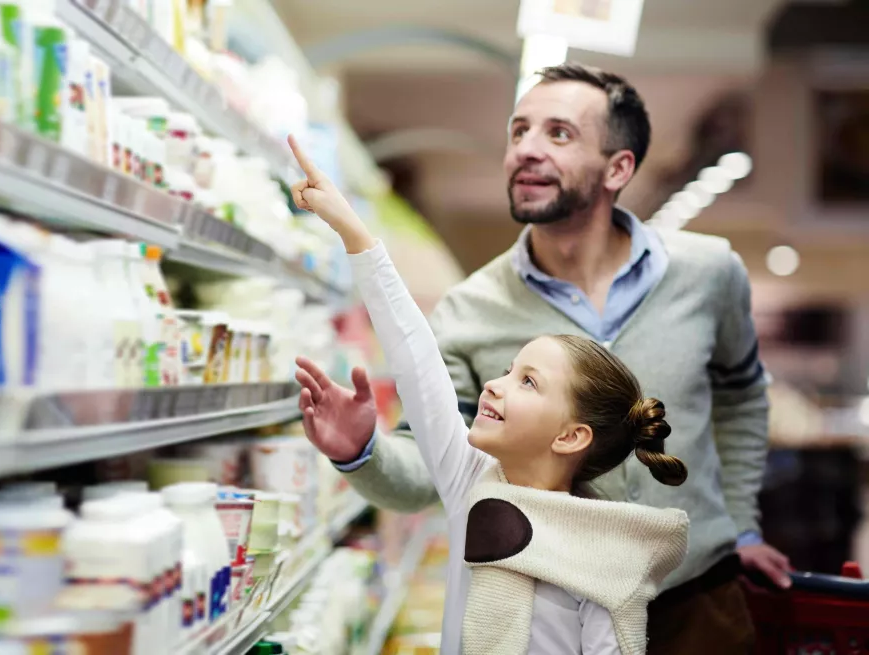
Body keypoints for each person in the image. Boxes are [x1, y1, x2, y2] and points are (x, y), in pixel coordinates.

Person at [294, 63, 790, 654]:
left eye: (558, 133)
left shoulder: (711, 274)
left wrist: (742, 523)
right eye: (518, 130)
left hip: (701, 596)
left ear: (618, 168)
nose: (525, 149)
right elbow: (428, 437)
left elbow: (741, 397)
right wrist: (363, 452)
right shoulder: (470, 309)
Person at [288, 134, 690, 655]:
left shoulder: (605, 558)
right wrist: (352, 231)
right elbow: (417, 359)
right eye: (508, 369)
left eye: (528, 382)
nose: (495, 385)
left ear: (571, 436)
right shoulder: (472, 484)